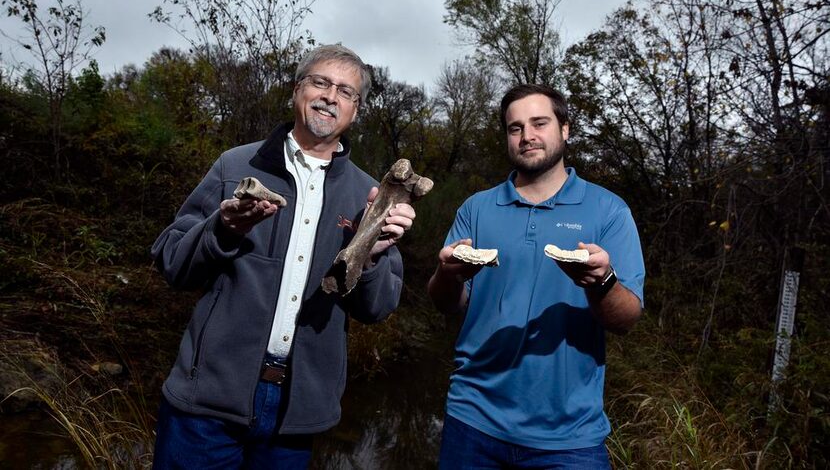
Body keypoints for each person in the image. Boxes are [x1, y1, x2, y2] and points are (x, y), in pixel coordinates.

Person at [150, 44, 416, 469]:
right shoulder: (236, 165)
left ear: (356, 110)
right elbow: (172, 263)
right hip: (208, 402)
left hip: (297, 412)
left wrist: (370, 255)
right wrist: (224, 228)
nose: (331, 96)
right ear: (297, 91)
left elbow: (378, 308)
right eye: (321, 82)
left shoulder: (367, 194)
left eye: (346, 91)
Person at [427, 84, 645, 469]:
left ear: (565, 129)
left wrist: (602, 282)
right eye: (515, 128)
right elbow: (448, 304)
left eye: (539, 123)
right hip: (472, 419)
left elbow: (626, 319)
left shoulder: (608, 210)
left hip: (570, 436)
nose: (527, 136)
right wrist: (449, 274)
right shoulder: (477, 208)